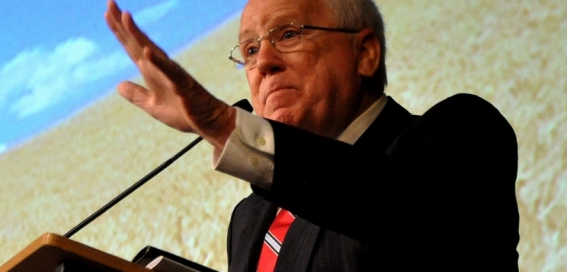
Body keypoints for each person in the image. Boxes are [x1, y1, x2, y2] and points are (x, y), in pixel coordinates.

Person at [104, 0, 520, 270]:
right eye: (249, 51)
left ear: (365, 52)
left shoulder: (462, 135)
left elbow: (402, 206)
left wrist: (223, 123)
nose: (264, 62)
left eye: (288, 34)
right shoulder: (248, 220)